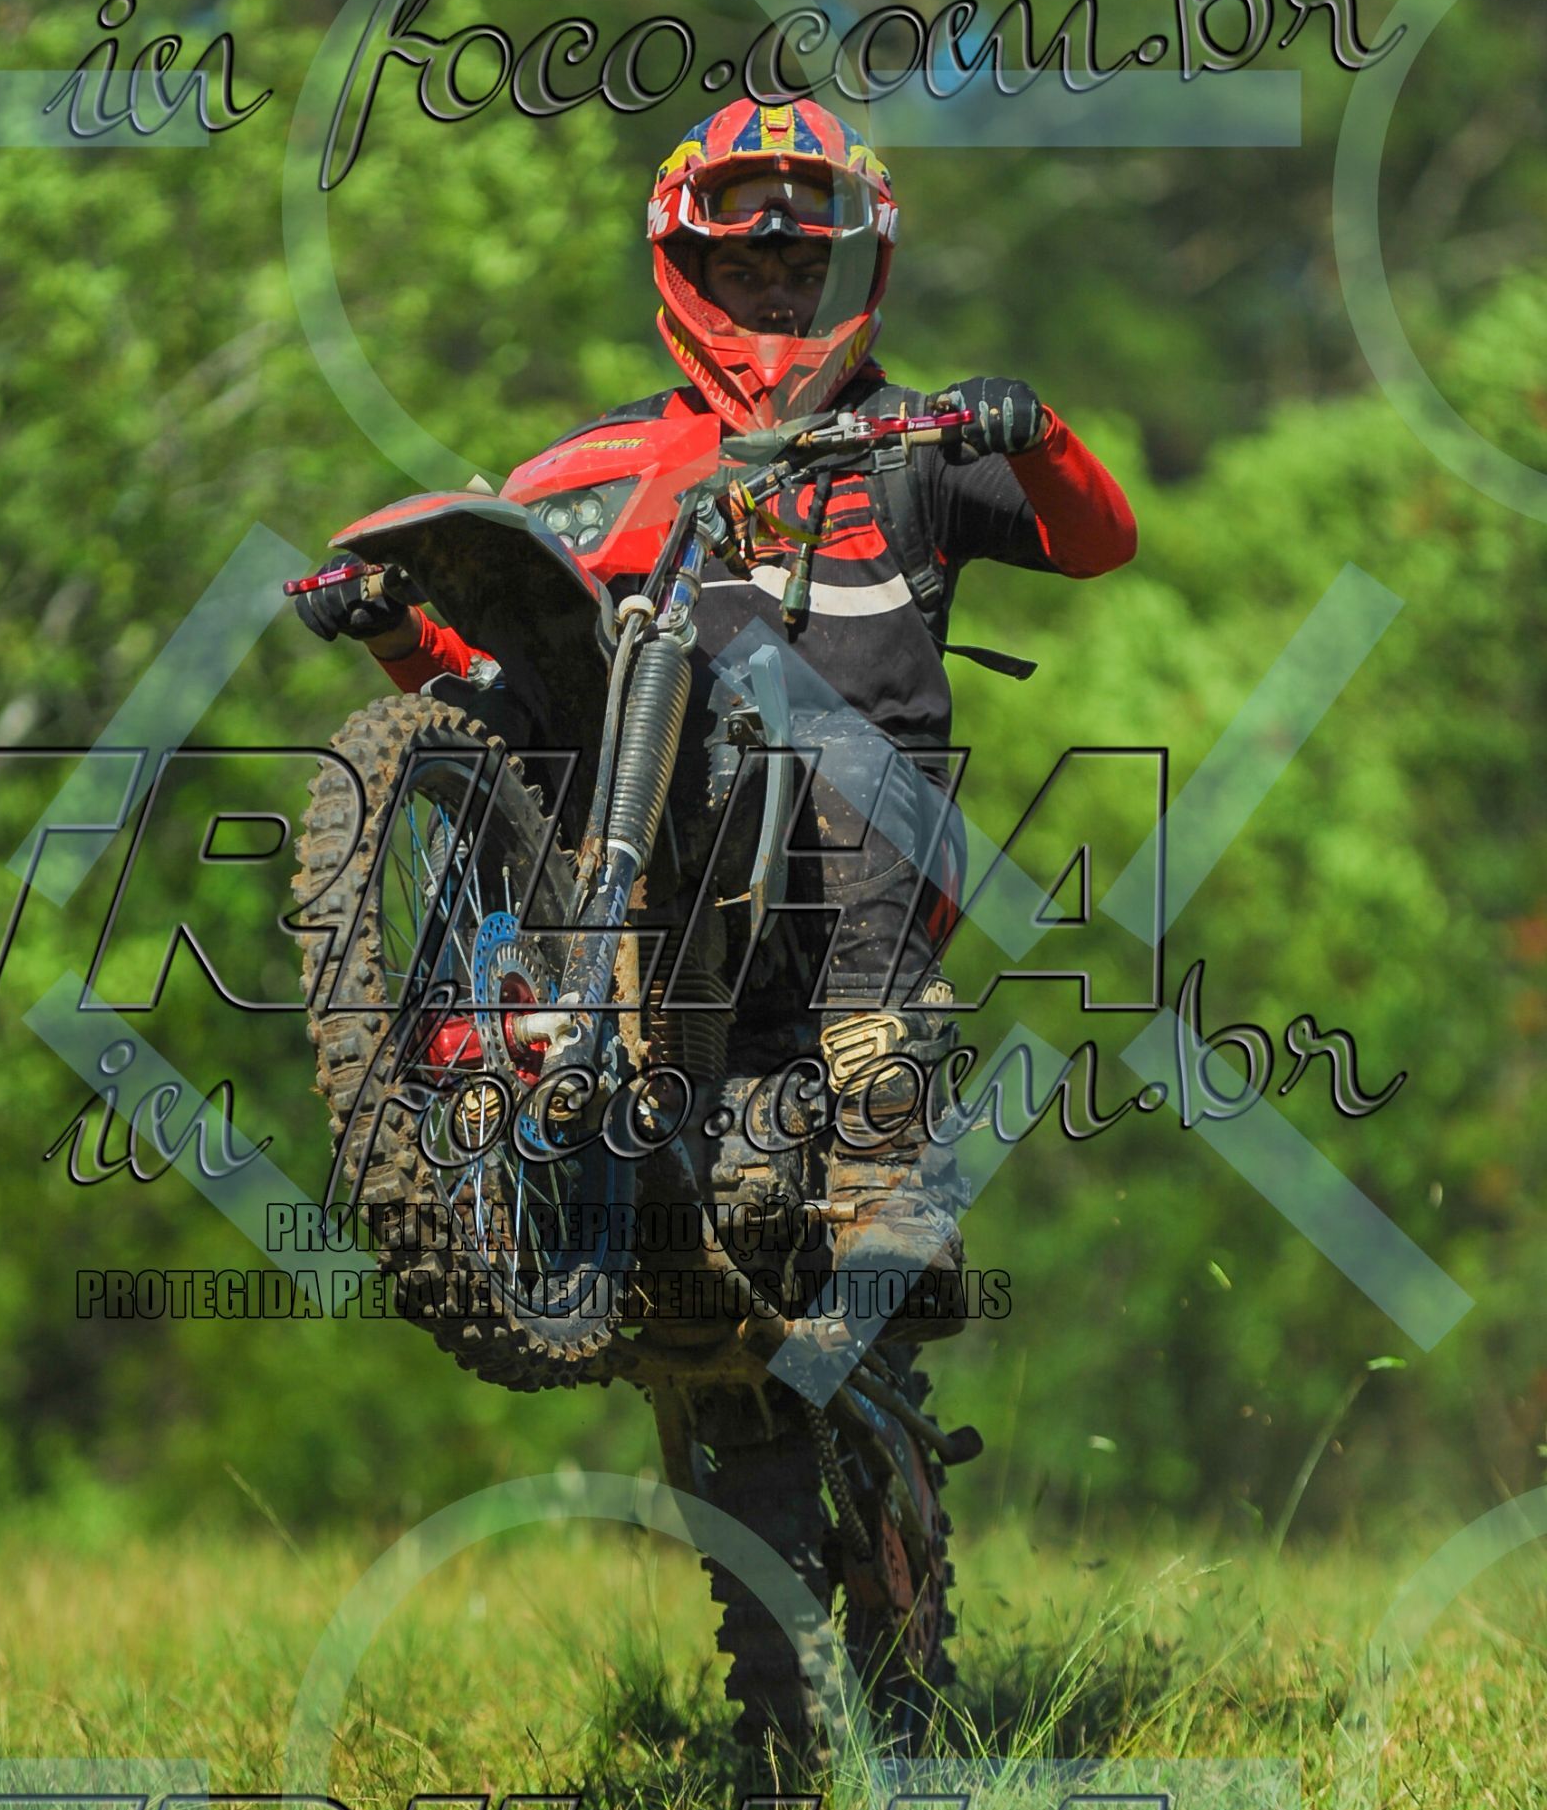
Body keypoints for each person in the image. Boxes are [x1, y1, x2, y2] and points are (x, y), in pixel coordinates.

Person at [295, 97, 1136, 1341]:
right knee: (521, 708)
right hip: (654, 846)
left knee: (840, 749)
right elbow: (490, 681)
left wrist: (1036, 432)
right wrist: (390, 628)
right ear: (690, 269)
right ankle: (489, 1058)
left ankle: (889, 1170)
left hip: (861, 856)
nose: (777, 294)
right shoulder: (603, 459)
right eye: (746, 268)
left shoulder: (914, 440)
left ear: (854, 271)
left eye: (805, 268)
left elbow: (1101, 541)